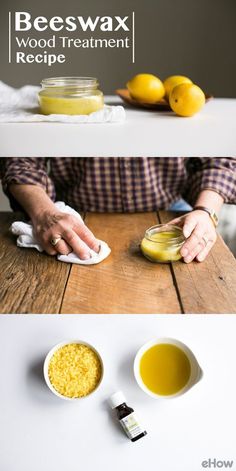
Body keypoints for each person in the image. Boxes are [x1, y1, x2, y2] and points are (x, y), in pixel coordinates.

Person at [1, 157, 236, 263]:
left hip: (173, 214)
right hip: (74, 217)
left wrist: (206, 211)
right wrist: (44, 213)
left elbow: (218, 162)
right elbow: (20, 162)